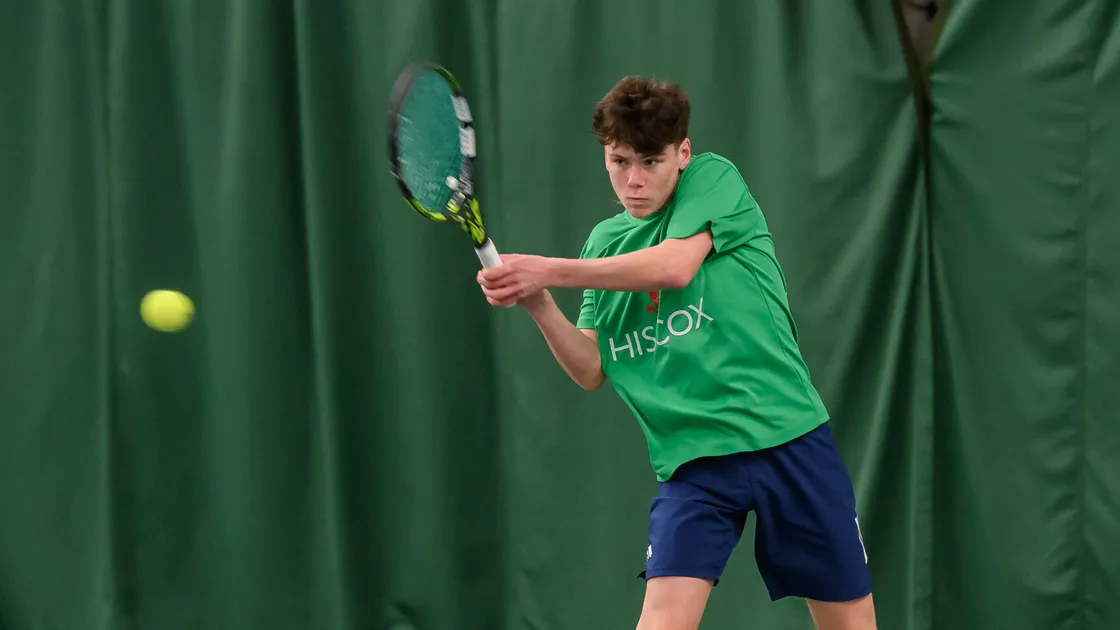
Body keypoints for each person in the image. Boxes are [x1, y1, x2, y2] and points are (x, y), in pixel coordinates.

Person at [476, 75, 878, 630]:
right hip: (693, 464)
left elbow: (674, 267)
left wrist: (548, 269)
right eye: (620, 161)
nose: (634, 180)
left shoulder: (714, 179)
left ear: (682, 153)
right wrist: (540, 303)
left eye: (651, 161)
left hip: (786, 437)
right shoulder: (603, 244)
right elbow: (591, 367)